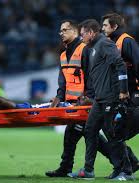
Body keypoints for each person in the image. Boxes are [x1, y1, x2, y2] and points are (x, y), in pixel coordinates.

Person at [69, 19, 134, 180]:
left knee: (112, 135)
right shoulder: (92, 48)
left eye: (83, 34)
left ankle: (126, 171)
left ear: (91, 33)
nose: (81, 37)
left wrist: (124, 90)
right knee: (90, 130)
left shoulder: (105, 44)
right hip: (99, 99)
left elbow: (120, 65)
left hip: (111, 98)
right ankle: (88, 170)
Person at [45, 20, 96, 177]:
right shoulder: (62, 55)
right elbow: (63, 83)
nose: (61, 33)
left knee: (76, 135)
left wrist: (89, 98)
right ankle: (127, 162)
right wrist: (58, 99)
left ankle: (66, 167)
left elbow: (92, 77)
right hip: (72, 105)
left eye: (65, 30)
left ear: (75, 32)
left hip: (85, 104)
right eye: (60, 31)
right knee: (82, 135)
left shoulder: (85, 50)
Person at [101, 12, 139, 178]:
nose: (102, 28)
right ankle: (126, 167)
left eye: (105, 25)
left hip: (132, 95)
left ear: (114, 26)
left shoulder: (126, 41)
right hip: (120, 95)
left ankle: (126, 170)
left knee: (116, 132)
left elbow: (137, 65)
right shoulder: (110, 43)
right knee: (113, 132)